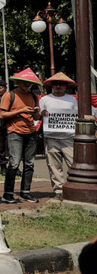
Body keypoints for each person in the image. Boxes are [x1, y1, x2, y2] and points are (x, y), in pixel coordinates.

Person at [0, 69, 43, 204]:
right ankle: (8, 194)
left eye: (29, 83)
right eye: (24, 82)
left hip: (31, 132)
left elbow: (36, 117)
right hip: (15, 132)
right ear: (18, 82)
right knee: (14, 163)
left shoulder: (34, 97)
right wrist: (21, 111)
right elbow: (2, 115)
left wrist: (37, 112)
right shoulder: (9, 95)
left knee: (29, 164)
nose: (27, 85)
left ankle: (25, 192)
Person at [38, 72, 78, 200]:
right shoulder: (44, 99)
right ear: (51, 86)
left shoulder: (72, 99)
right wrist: (42, 113)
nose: (58, 86)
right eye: (56, 84)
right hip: (51, 138)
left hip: (69, 138)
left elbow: (77, 116)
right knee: (54, 166)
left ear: (66, 86)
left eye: (61, 84)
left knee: (73, 164)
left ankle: (75, 188)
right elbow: (37, 115)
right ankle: (59, 191)